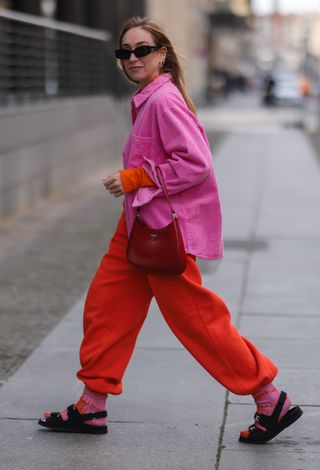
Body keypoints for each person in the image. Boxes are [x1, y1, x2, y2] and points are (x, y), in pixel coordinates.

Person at [38, 16, 302, 443]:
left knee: (196, 319)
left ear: (162, 53)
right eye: (125, 52)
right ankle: (91, 406)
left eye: (143, 49)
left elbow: (195, 163)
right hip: (137, 226)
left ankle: (269, 398)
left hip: (161, 231)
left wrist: (134, 178)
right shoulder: (147, 98)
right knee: (107, 307)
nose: (133, 58)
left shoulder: (163, 100)